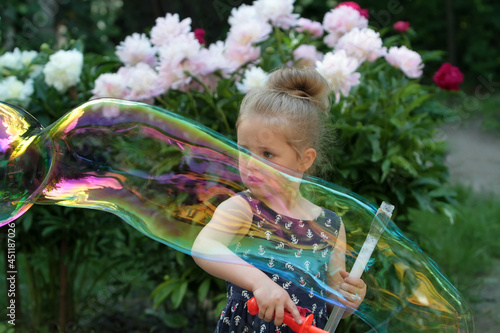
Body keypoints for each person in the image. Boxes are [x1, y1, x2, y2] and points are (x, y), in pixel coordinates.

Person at [192, 66, 366, 333]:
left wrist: (348, 299)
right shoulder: (244, 209)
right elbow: (204, 246)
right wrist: (259, 283)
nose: (251, 164)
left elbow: (331, 306)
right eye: (244, 150)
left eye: (268, 154)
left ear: (304, 159)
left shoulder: (330, 226)